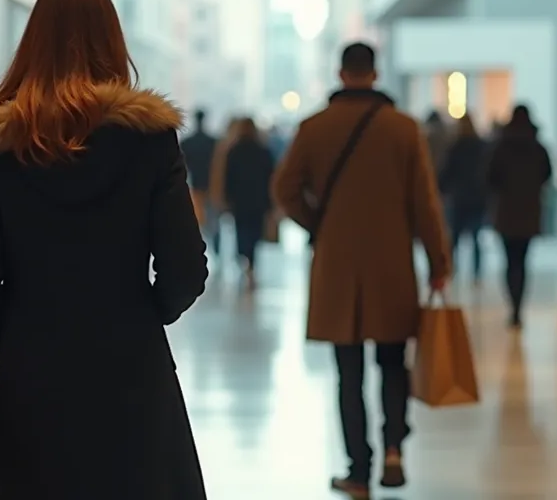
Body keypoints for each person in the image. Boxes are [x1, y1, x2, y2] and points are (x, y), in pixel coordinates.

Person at [0, 0, 209, 500]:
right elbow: (185, 266)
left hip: (33, 367)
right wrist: (141, 314)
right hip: (131, 362)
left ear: (33, 44)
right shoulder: (149, 140)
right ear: (112, 41)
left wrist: (18, 336)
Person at [272, 42, 451, 499]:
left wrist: (319, 224)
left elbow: (285, 188)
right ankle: (394, 448)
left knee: (347, 371)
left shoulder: (314, 128)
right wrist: (438, 261)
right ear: (375, 72)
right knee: (393, 362)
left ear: (340, 72)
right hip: (391, 262)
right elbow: (425, 203)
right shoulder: (403, 129)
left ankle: (358, 471)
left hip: (337, 266)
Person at [487, 105, 553, 327]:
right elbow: (547, 175)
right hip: (529, 210)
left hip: (506, 211)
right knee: (523, 261)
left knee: (509, 260)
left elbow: (490, 177)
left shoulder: (501, 148)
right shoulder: (538, 148)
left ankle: (513, 304)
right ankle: (518, 306)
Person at [224, 117, 277, 286]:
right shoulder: (263, 151)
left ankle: (243, 256)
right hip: (258, 198)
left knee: (241, 229)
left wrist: (227, 196)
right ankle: (251, 261)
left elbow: (228, 176)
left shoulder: (234, 151)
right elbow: (271, 175)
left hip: (239, 199)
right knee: (254, 230)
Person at [438, 112, 491, 277]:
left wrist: (441, 190)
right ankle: (476, 273)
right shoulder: (482, 147)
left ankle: (452, 270)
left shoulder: (456, 147)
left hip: (459, 198)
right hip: (477, 198)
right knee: (476, 238)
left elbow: (447, 172)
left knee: (455, 237)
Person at [182, 109, 220, 255]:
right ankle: (216, 253)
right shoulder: (213, 142)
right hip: (211, 186)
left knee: (196, 223)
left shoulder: (188, 142)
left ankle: (196, 252)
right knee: (213, 224)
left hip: (195, 186)